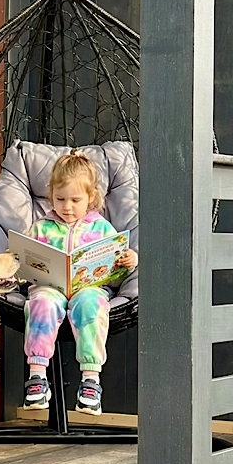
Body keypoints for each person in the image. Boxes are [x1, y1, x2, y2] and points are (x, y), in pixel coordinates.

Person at [21, 151, 137, 415]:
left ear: (91, 198)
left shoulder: (101, 228)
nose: (67, 207)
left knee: (91, 305)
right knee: (41, 303)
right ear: (51, 194)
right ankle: (37, 376)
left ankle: (90, 381)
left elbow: (116, 269)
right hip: (50, 288)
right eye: (60, 199)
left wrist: (129, 261)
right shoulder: (41, 228)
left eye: (76, 200)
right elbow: (25, 263)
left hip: (89, 289)